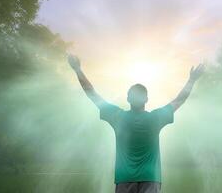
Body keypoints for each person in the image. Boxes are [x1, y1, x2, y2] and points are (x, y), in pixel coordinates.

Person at [67, 54, 205, 193]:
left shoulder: (118, 116)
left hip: (124, 179)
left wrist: (78, 70)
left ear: (128, 99)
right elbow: (179, 100)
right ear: (146, 99)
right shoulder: (155, 118)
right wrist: (192, 80)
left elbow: (92, 94)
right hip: (150, 178)